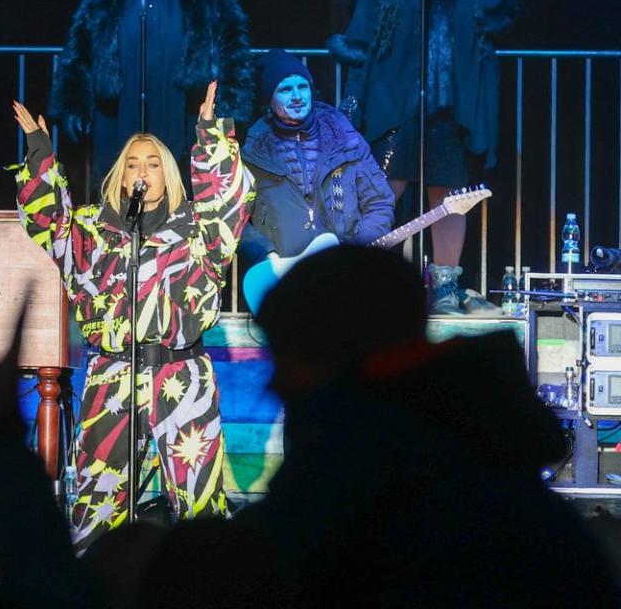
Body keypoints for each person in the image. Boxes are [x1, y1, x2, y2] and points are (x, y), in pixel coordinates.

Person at [237, 245, 621, 606]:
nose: (275, 385)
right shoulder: (532, 514)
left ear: (339, 358)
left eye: (288, 359)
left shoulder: (340, 517)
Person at [15, 81, 255, 551]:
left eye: (152, 163)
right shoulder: (93, 232)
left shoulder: (197, 232)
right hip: (111, 374)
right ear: (121, 177)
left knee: (197, 499)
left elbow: (229, 200)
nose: (141, 170)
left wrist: (209, 134)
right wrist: (40, 152)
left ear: (167, 173)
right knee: (99, 501)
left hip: (180, 373)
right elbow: (47, 222)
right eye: (131, 163)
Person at [329, 0, 518, 312]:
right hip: (398, 100)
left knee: (447, 196)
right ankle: (358, 280)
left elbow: (497, 10)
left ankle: (446, 289)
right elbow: (362, 33)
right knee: (381, 190)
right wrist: (354, 98)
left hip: (450, 106)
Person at [49, 0, 254, 194]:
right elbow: (78, 49)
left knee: (177, 175)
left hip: (181, 102)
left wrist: (230, 105)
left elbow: (233, 44)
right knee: (119, 175)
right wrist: (74, 103)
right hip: (119, 106)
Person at [239, 49, 394, 271]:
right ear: (269, 100)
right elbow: (237, 220)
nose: (296, 96)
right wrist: (266, 254)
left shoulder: (346, 140)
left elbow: (379, 202)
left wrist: (358, 249)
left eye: (302, 87)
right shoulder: (253, 153)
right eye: (284, 89)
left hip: (345, 272)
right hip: (284, 277)